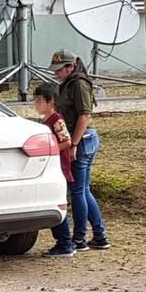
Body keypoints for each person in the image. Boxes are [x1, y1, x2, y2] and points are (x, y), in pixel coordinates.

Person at [49, 50, 111, 251]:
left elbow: (85, 116)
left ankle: (79, 239)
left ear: (71, 67)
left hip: (82, 140)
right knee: (83, 190)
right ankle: (100, 236)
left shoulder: (79, 84)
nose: (57, 73)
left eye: (60, 69)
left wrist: (73, 144)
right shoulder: (69, 83)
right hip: (81, 140)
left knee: (77, 191)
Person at [34, 83, 76, 258]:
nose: (36, 105)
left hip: (58, 168)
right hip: (50, 168)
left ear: (50, 101)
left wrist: (50, 149)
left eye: (39, 101)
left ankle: (65, 242)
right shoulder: (43, 122)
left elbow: (66, 141)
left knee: (57, 205)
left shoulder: (56, 120)